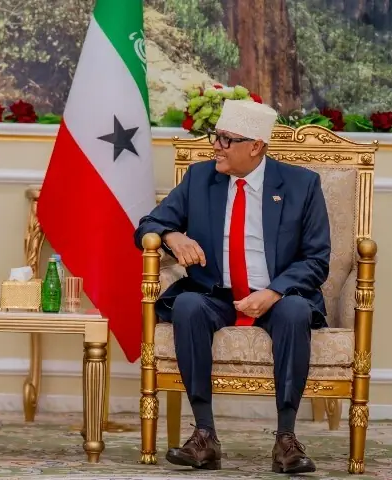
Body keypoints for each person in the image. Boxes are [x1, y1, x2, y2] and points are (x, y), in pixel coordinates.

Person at [134, 100, 330, 474]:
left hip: (277, 295)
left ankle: (286, 439)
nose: (216, 146)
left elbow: (317, 259)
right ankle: (204, 436)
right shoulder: (200, 178)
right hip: (217, 293)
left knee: (295, 311)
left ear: (255, 146)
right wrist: (173, 236)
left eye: (226, 139)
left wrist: (272, 292)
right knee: (188, 305)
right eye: (215, 137)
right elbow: (147, 225)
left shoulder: (302, 184)